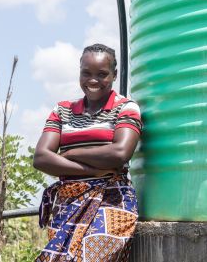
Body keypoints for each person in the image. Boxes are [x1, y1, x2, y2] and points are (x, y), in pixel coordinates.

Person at [33, 43, 142, 262]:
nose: (93, 80)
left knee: (88, 256)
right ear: (79, 72)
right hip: (68, 202)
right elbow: (41, 157)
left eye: (102, 74)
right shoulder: (62, 110)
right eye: (86, 73)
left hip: (113, 200)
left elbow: (120, 153)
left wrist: (72, 153)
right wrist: (94, 167)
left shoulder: (126, 108)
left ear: (114, 75)